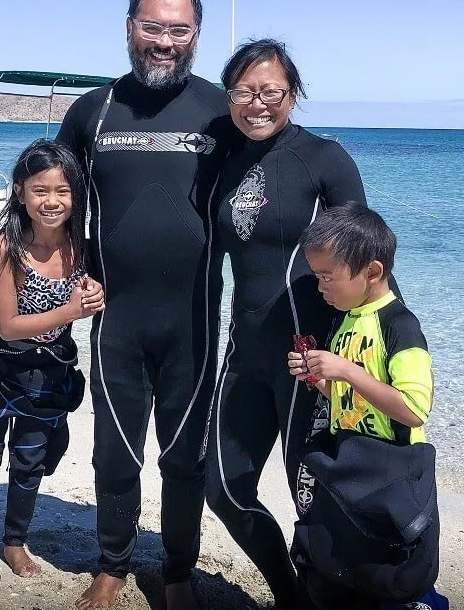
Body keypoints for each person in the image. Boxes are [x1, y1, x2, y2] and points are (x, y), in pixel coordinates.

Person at [52, 0, 234, 610]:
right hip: (115, 319)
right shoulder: (92, 112)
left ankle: (178, 571)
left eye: (178, 29)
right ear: (129, 26)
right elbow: (53, 204)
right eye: (152, 26)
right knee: (115, 453)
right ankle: (112, 563)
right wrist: (54, 279)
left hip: (194, 322)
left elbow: (272, 205)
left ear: (197, 36)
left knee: (184, 459)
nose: (165, 41)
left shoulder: (221, 112)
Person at [205, 39, 368, 608]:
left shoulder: (324, 159)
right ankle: (291, 596)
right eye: (245, 91)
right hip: (243, 352)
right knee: (222, 489)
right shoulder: (219, 160)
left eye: (271, 91)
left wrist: (379, 354)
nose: (258, 103)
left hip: (311, 362)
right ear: (229, 97)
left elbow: (370, 264)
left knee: (313, 500)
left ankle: (335, 596)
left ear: (292, 95)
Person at [0, 139, 105, 583]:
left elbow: (105, 290)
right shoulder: (7, 248)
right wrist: (74, 311)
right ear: (19, 192)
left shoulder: (83, 246)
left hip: (48, 374)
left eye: (63, 191)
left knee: (30, 459)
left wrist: (96, 294)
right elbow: (10, 325)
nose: (52, 201)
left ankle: (15, 541)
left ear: (77, 194)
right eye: (40, 190)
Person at [288, 202, 437, 610]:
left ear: (371, 272)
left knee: (399, 575)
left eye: (326, 277)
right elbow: (348, 401)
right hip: (353, 463)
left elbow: (413, 408)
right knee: (349, 570)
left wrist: (347, 371)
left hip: (396, 470)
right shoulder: (348, 318)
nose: (320, 287)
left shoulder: (399, 326)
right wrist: (318, 378)